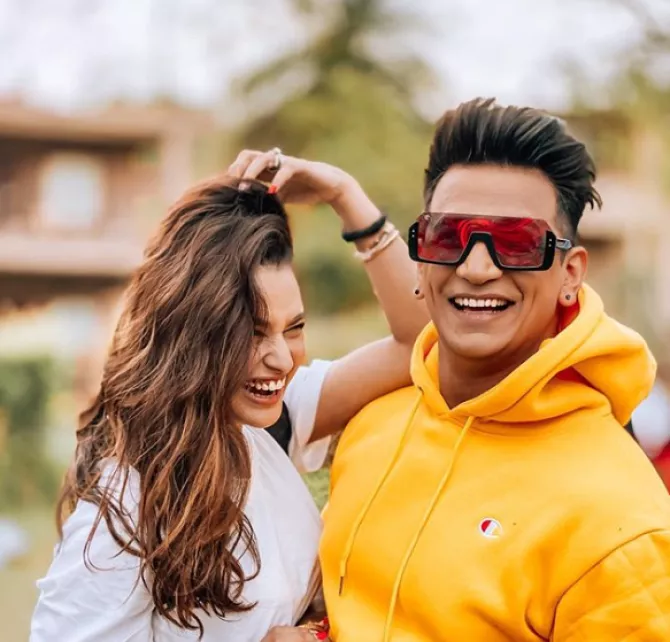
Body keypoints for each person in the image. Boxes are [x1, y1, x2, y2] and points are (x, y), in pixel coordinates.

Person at [30, 150, 428, 642]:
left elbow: (420, 343)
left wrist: (344, 195)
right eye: (251, 334)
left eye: (294, 328)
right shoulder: (126, 512)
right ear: (192, 335)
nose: (281, 359)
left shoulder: (268, 421)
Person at [314, 98, 670, 641]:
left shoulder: (623, 520)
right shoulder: (373, 423)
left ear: (570, 273)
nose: (476, 267)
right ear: (420, 259)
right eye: (448, 237)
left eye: (516, 243)